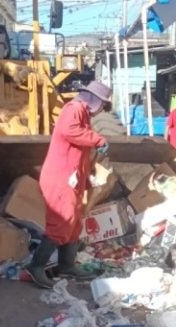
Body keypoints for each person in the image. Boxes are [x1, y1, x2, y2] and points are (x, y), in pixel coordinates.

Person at [26, 81, 112, 289]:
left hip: (70, 177)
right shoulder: (73, 110)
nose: (102, 110)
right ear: (95, 100)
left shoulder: (82, 113)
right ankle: (36, 267)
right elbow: (69, 131)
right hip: (60, 177)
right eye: (102, 105)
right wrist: (98, 139)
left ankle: (67, 265)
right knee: (62, 222)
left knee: (73, 223)